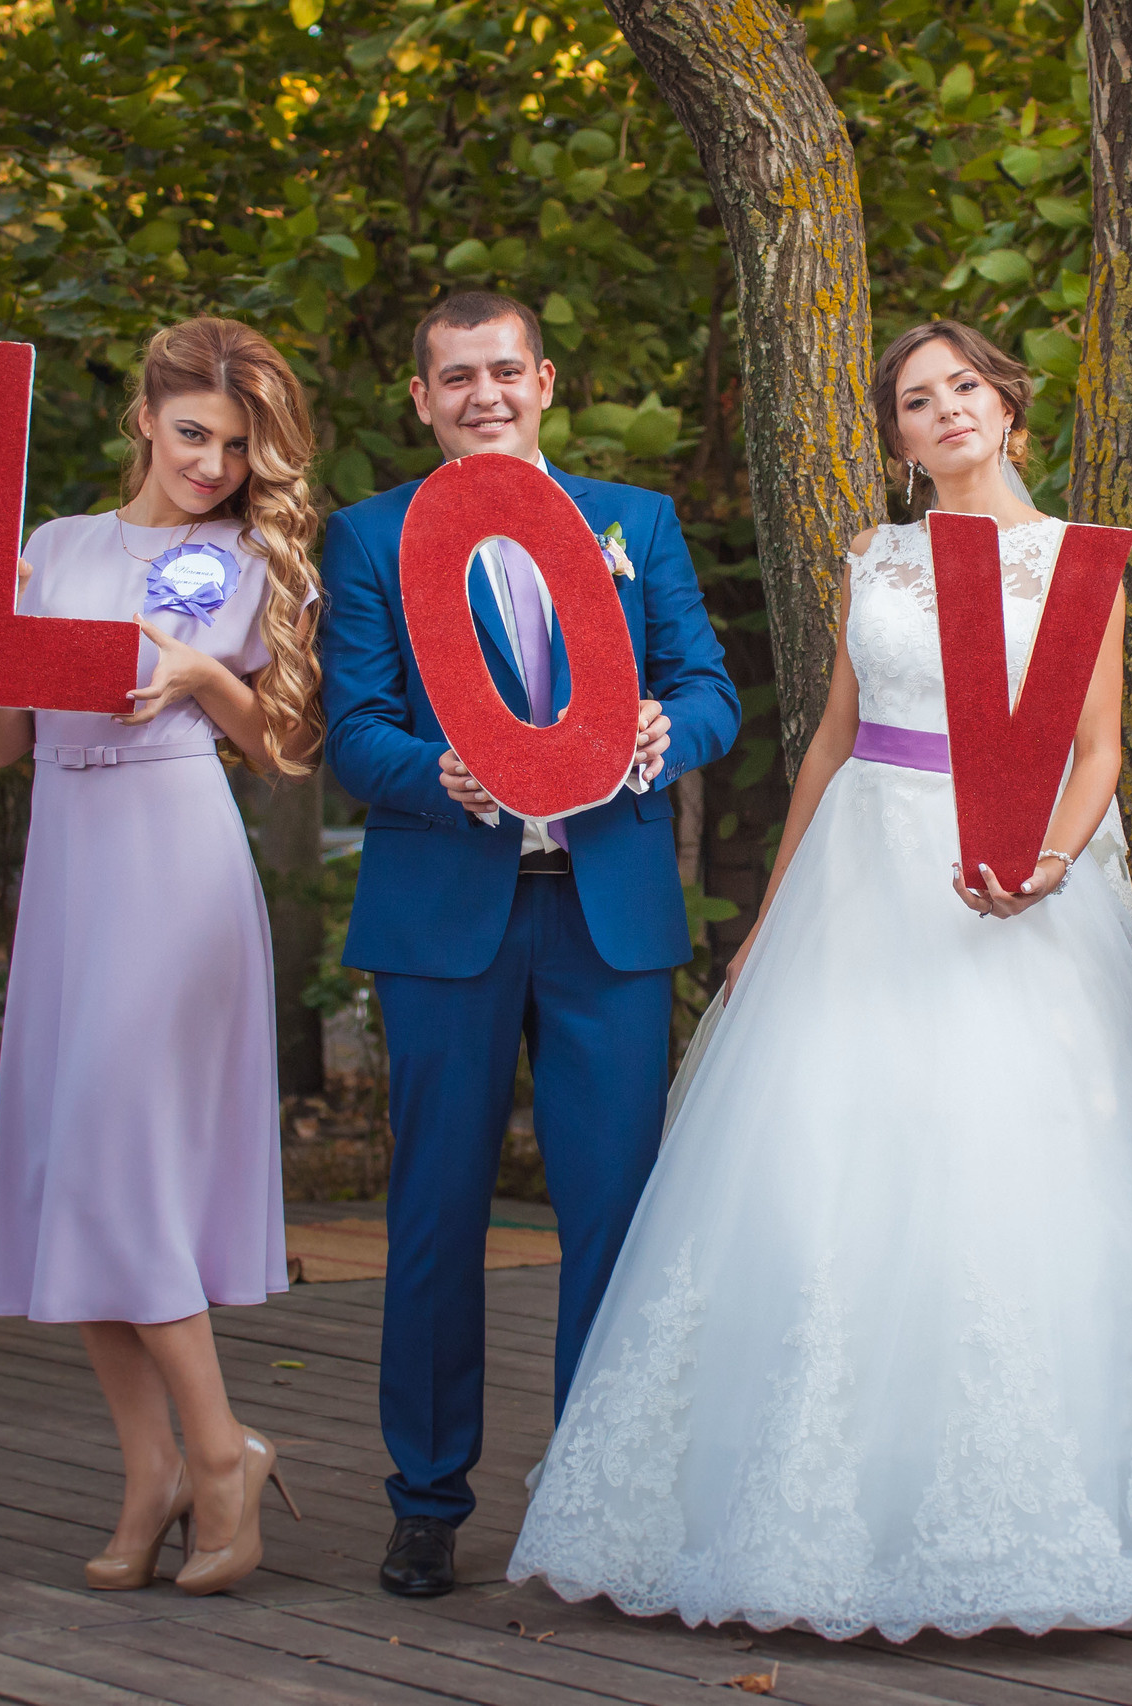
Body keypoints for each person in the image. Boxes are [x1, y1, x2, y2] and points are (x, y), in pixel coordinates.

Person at [504, 320, 1132, 1642]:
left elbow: (1101, 747)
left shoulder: (1078, 565)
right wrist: (774, 909)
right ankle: (799, 1513)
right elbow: (832, 737)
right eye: (912, 401)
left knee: (1003, 1169)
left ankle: (1023, 1520)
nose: (941, 411)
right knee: (826, 1162)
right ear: (897, 439)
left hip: (1008, 896)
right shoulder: (878, 560)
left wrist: (1050, 861)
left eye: (962, 390)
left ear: (1010, 410)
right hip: (861, 878)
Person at [319, 291, 741, 1599]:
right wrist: (431, 773)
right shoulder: (373, 536)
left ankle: (592, 1493)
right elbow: (352, 728)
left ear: (546, 378)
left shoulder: (634, 523)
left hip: (603, 912)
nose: (484, 394)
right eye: (457, 377)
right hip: (447, 912)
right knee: (436, 1213)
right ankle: (427, 1499)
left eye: (504, 369)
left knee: (612, 1212)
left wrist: (679, 733)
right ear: (421, 397)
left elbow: (710, 686)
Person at [0, 316, 315, 1596]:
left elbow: (284, 749)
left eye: (236, 445)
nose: (213, 464)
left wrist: (199, 679)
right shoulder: (56, 548)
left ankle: (222, 1451)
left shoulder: (240, 560)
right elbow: (4, 747)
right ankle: (152, 1471)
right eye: (192, 435)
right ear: (143, 418)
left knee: (119, 1151)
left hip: (175, 854)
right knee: (75, 1162)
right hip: (69, 858)